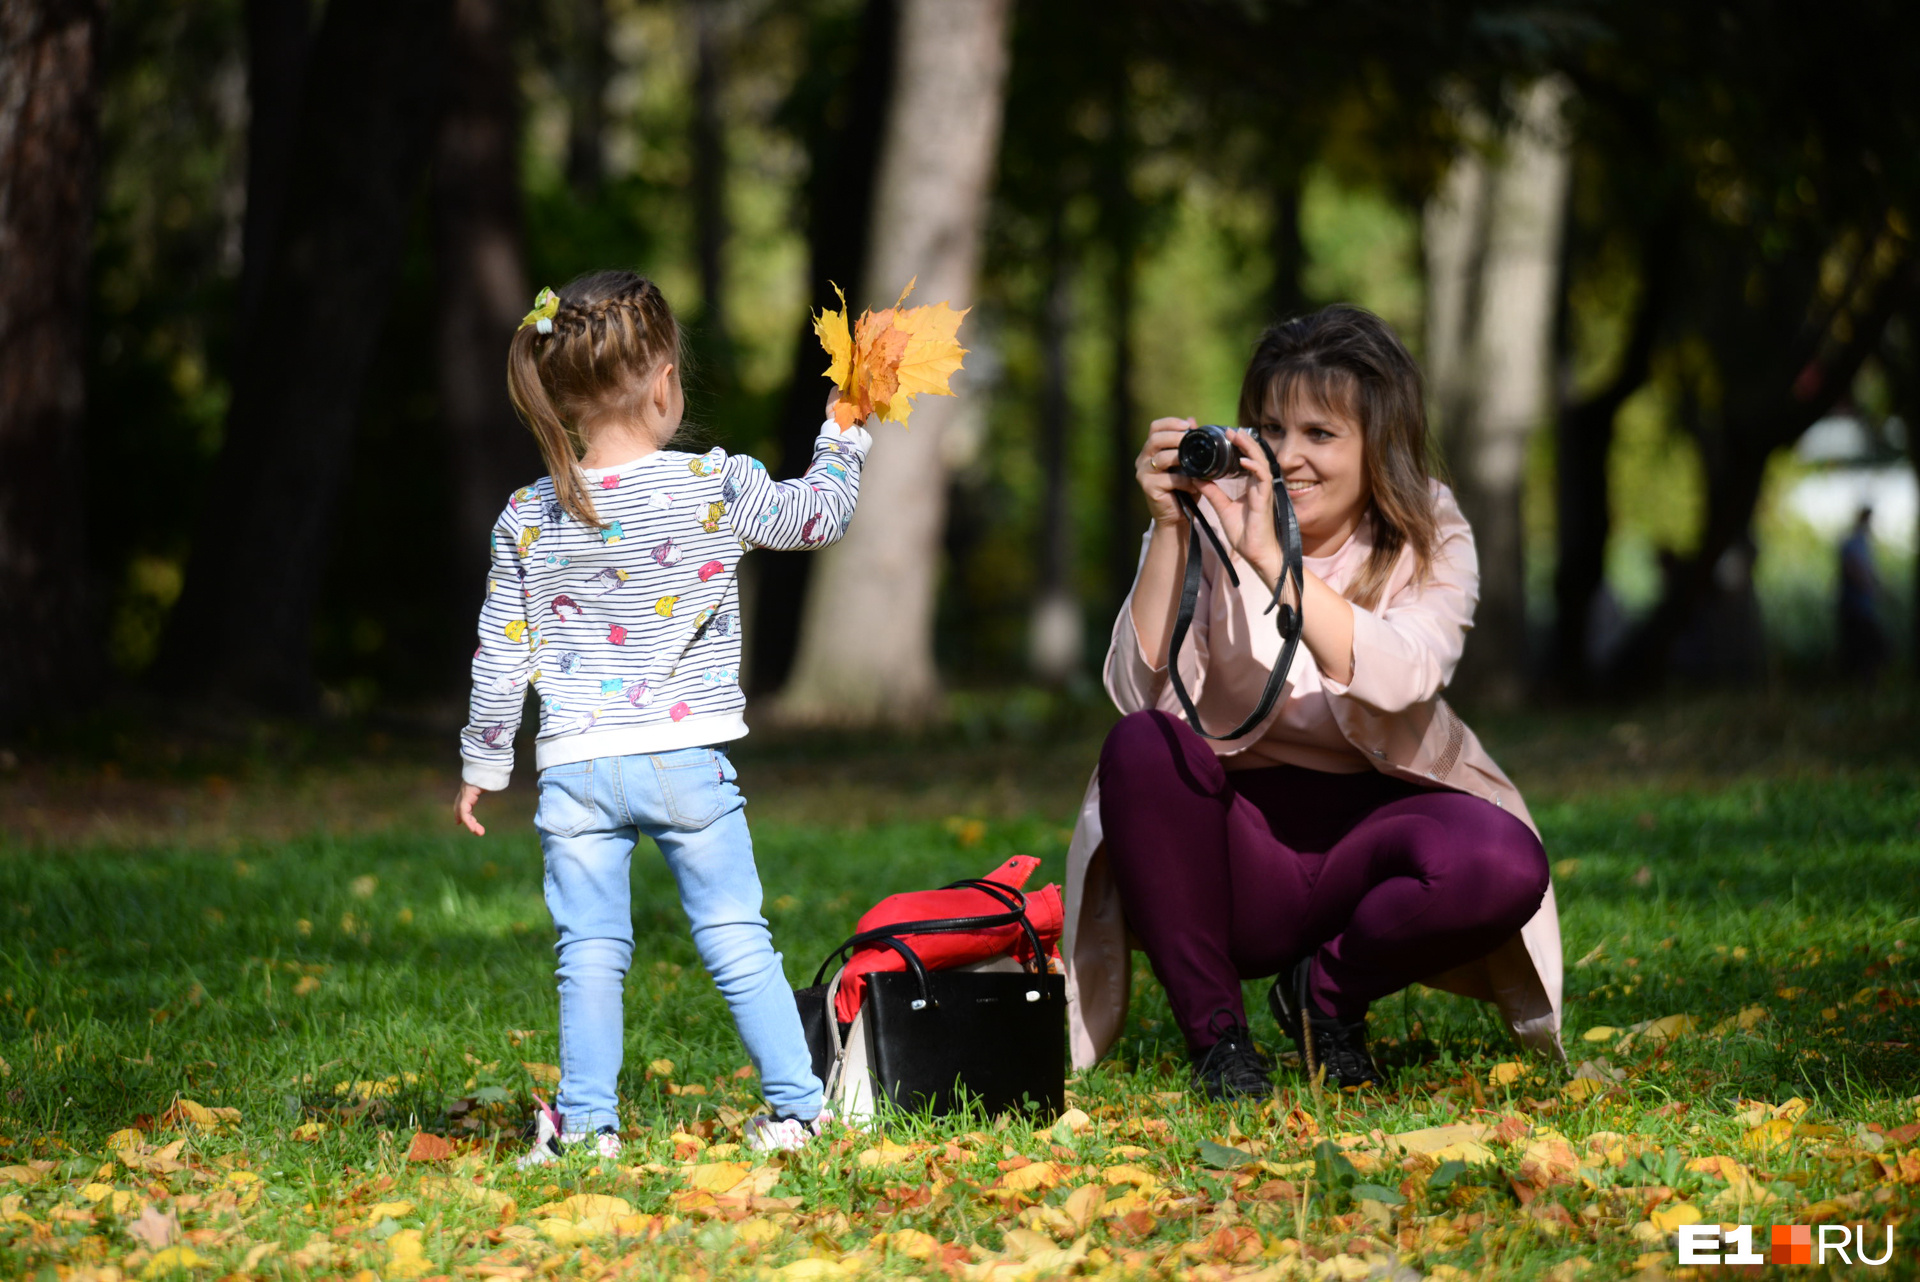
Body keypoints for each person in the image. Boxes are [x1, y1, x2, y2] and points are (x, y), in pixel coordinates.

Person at [1060, 305, 1564, 1098]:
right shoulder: (1216, 511)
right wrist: (1170, 529)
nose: (1288, 457)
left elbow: (1405, 675)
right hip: (1235, 850)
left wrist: (1273, 561)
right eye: (1270, 427)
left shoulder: (1430, 526)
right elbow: (1133, 693)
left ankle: (1325, 1003)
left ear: (1379, 444)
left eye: (1321, 435)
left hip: (1376, 840)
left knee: (1502, 861)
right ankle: (1220, 1046)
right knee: (1141, 747)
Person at [453, 271, 871, 1161]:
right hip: (686, 761)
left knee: (590, 949)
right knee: (735, 937)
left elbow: (501, 653)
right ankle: (798, 1109)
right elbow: (819, 516)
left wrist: (484, 766)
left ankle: (592, 1125)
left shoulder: (529, 515)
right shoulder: (714, 486)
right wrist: (845, 435)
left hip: (573, 767)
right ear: (664, 381)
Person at [1837, 506, 1887, 686]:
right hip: (1855, 607)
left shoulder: (1862, 543)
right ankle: (1860, 688)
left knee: (1862, 650)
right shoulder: (1854, 543)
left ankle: (1860, 688)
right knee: (1865, 650)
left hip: (1862, 607)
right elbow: (1855, 570)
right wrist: (1872, 588)